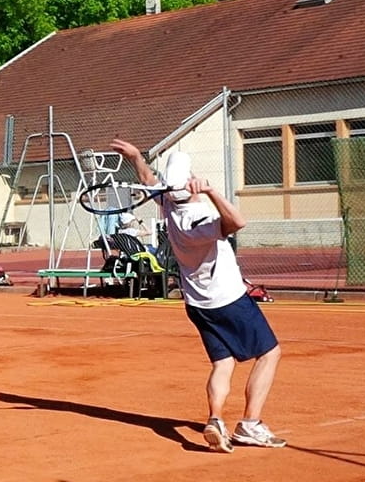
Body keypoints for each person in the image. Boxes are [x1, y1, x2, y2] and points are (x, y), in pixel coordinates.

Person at [111, 138, 285, 452]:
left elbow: (148, 180)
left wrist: (136, 156)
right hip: (228, 300)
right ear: (189, 186)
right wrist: (211, 191)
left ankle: (215, 419)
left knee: (224, 362)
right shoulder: (198, 220)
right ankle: (250, 424)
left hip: (197, 304)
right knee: (270, 353)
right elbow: (237, 222)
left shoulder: (168, 205)